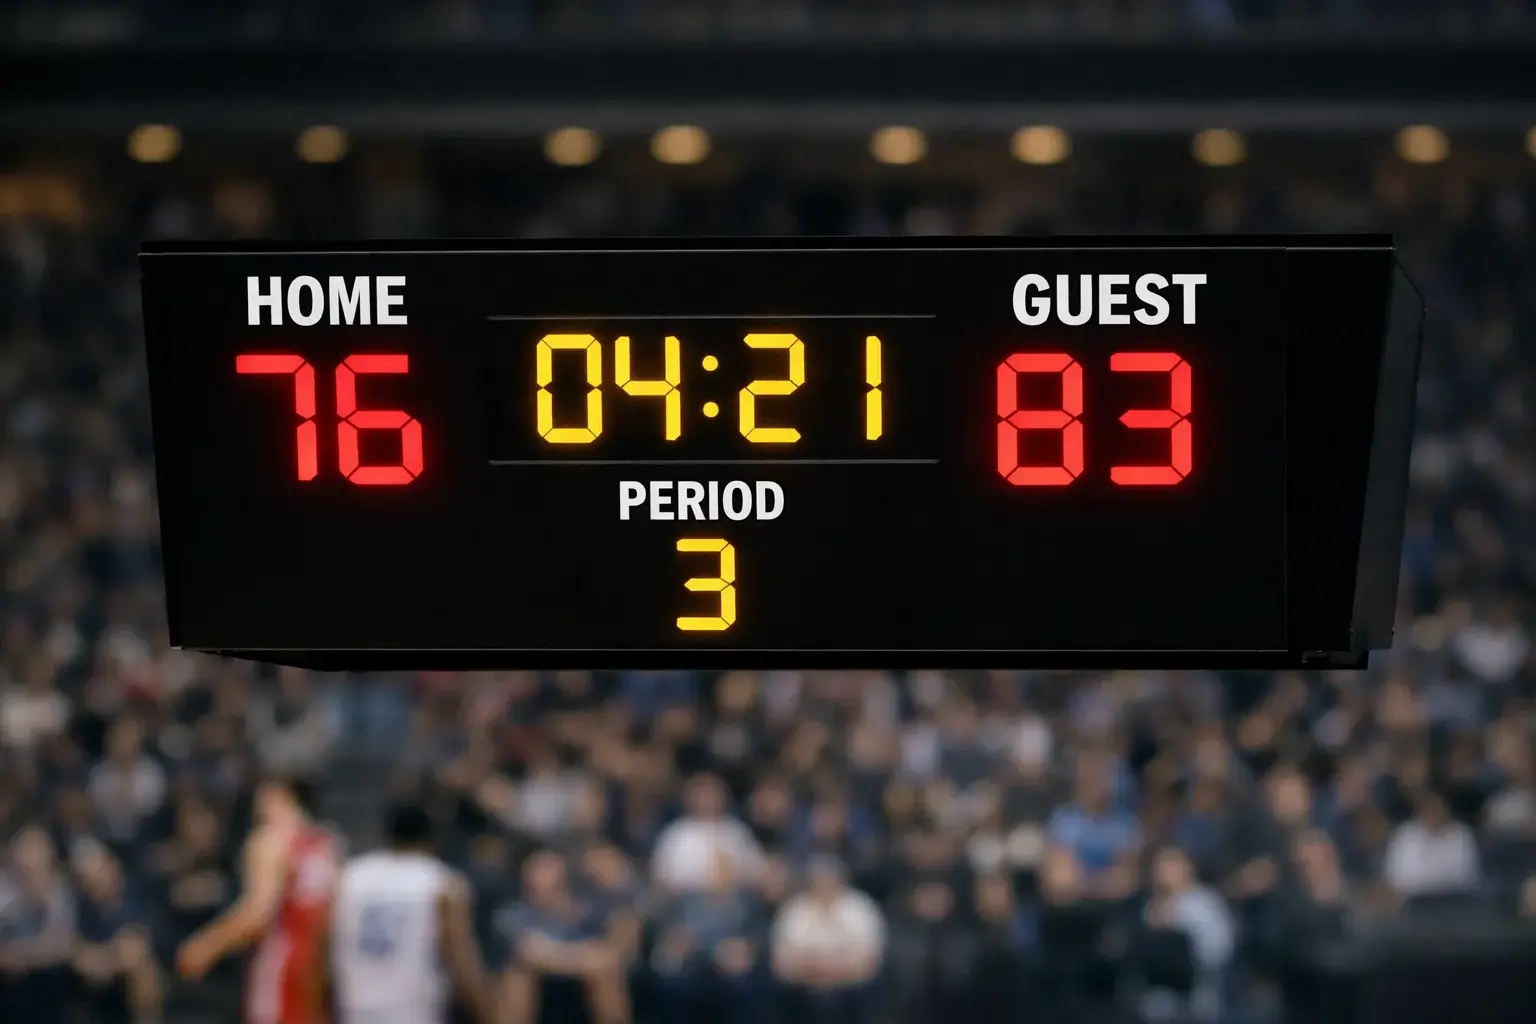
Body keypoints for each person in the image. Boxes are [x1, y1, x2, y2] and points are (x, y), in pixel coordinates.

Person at [174, 774, 340, 1024]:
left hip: (280, 967)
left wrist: (206, 946)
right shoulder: (327, 844)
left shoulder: (269, 841)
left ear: (277, 793)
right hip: (318, 967)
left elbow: (258, 914)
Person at [328, 801, 491, 1024]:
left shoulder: (350, 876)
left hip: (355, 1006)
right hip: (413, 1009)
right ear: (432, 837)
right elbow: (459, 956)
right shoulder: (442, 882)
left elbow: (325, 941)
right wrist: (485, 1010)